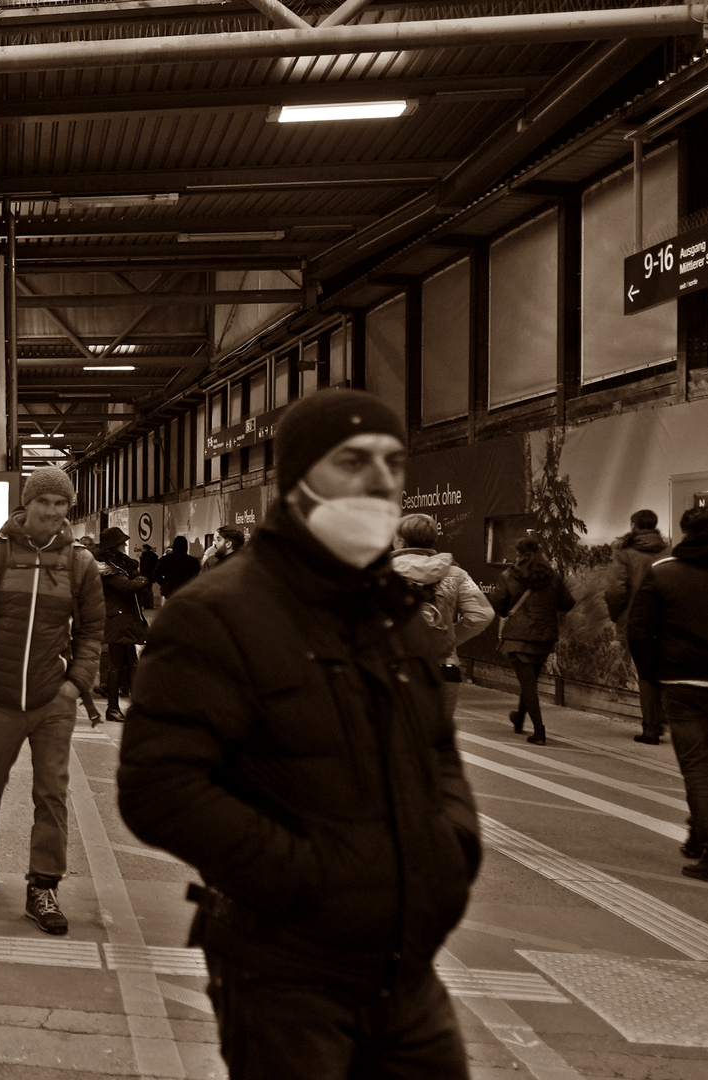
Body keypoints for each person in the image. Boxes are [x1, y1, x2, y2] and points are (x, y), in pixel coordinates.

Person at [117, 388, 480, 1080]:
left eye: (393, 462)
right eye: (352, 460)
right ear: (296, 478)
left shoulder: (391, 613)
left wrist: (451, 849)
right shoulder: (216, 614)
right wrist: (306, 879)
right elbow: (158, 787)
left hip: (406, 974)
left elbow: (436, 749)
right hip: (285, 974)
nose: (380, 479)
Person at [0, 465, 105, 936]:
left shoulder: (80, 564)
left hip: (54, 699)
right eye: (44, 503)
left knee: (51, 792)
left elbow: (93, 630)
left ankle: (43, 886)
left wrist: (76, 683)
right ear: (26, 505)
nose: (53, 512)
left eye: (61, 504)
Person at [626, 506, 708, 881]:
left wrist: (653, 675)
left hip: (682, 683)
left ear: (683, 531)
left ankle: (704, 843)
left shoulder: (664, 574)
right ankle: (697, 834)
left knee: (696, 768)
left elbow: (639, 630)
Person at [390, 514, 494, 722]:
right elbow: (483, 614)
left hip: (393, 668)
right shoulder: (456, 574)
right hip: (444, 669)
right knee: (437, 741)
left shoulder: (380, 573)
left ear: (400, 540)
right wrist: (451, 638)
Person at [488, 537, 576, 746]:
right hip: (544, 637)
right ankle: (519, 718)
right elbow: (567, 603)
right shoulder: (551, 576)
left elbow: (499, 605)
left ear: (518, 554)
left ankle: (539, 731)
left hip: (518, 638)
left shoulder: (508, 575)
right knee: (529, 683)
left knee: (528, 684)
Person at [605, 509, 672, 744]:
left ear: (633, 525)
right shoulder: (668, 551)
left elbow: (615, 589)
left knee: (645, 673)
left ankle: (651, 728)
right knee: (661, 671)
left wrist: (618, 616)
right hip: (666, 621)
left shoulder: (624, 553)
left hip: (637, 621)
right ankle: (661, 720)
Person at [96, 526, 150, 724]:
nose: (126, 545)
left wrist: (138, 579)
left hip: (124, 619)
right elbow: (127, 586)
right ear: (114, 546)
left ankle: (133, 706)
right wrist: (144, 579)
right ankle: (112, 708)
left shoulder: (118, 565)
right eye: (122, 543)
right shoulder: (108, 568)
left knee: (129, 663)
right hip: (118, 621)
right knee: (117, 666)